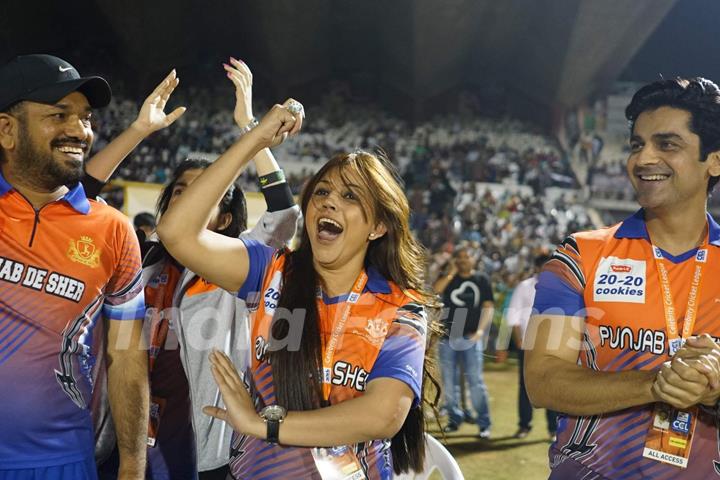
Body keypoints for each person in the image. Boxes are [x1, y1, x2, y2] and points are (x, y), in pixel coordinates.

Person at [157, 101, 438, 478]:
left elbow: (383, 415)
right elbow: (177, 232)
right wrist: (255, 138)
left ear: (378, 227)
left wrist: (265, 425)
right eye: (322, 192)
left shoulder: (401, 308)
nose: (329, 202)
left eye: (351, 197)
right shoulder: (270, 271)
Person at [86, 59, 300, 479]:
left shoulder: (233, 268)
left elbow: (284, 213)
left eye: (203, 192)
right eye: (180, 190)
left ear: (223, 219)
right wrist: (139, 132)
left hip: (206, 449)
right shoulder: (137, 261)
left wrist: (250, 129)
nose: (187, 199)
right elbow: (75, 201)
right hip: (126, 444)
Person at [525, 77, 720, 479]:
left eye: (667, 144)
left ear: (714, 160)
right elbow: (543, 379)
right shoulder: (578, 255)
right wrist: (655, 384)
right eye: (636, 144)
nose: (643, 158)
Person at [0, 54, 148, 479]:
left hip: (63, 463)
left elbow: (127, 356)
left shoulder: (113, 232)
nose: (79, 130)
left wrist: (133, 468)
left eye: (84, 117)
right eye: (58, 115)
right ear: (7, 130)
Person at [433, 246, 494, 437]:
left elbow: (488, 307)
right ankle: (454, 418)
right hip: (447, 337)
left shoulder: (481, 280)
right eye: (459, 258)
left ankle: (484, 423)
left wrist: (481, 331)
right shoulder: (449, 279)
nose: (463, 261)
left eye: (466, 257)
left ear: (473, 259)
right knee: (449, 383)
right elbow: (435, 292)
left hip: (470, 336)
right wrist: (450, 273)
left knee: (475, 381)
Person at [504, 253, 557, 440]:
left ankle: (553, 429)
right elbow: (514, 316)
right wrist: (519, 340)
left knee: (551, 386)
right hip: (528, 345)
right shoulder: (524, 287)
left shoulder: (560, 287)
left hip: (552, 346)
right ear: (536, 267)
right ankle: (524, 426)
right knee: (525, 386)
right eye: (543, 267)